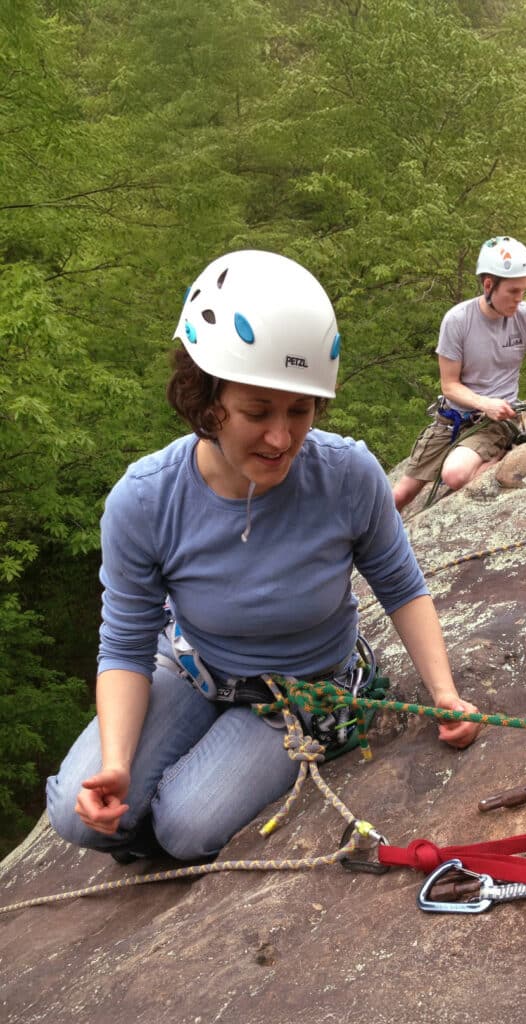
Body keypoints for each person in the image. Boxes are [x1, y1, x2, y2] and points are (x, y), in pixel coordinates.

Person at [46, 250, 481, 864]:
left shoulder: (346, 475)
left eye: (299, 411)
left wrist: (444, 692)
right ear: (205, 401)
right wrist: (117, 765)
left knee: (186, 830)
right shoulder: (144, 501)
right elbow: (124, 641)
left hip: (300, 688)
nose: (282, 438)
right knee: (79, 815)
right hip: (194, 663)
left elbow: (400, 584)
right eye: (257, 412)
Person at [392, 235, 526, 511]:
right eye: (513, 291)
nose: (519, 299)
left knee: (455, 474)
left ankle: (498, 461)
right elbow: (449, 386)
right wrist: (485, 403)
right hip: (452, 421)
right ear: (488, 285)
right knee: (398, 496)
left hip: (497, 423)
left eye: (524, 291)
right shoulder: (458, 320)